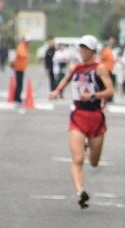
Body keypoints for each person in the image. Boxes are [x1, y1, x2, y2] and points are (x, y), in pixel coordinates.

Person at [49, 35, 114, 209]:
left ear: (93, 51)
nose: (82, 52)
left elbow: (110, 90)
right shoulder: (76, 67)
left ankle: (88, 147)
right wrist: (56, 91)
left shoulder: (99, 69)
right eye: (81, 48)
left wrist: (93, 96)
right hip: (78, 115)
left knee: (93, 162)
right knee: (77, 159)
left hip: (95, 117)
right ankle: (80, 192)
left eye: (86, 49)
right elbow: (66, 79)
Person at [12, 36, 30, 104]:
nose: (28, 43)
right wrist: (25, 54)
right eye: (27, 41)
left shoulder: (25, 46)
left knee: (20, 84)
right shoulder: (21, 46)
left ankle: (18, 98)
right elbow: (21, 53)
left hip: (21, 68)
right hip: (18, 68)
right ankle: (17, 98)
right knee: (19, 84)